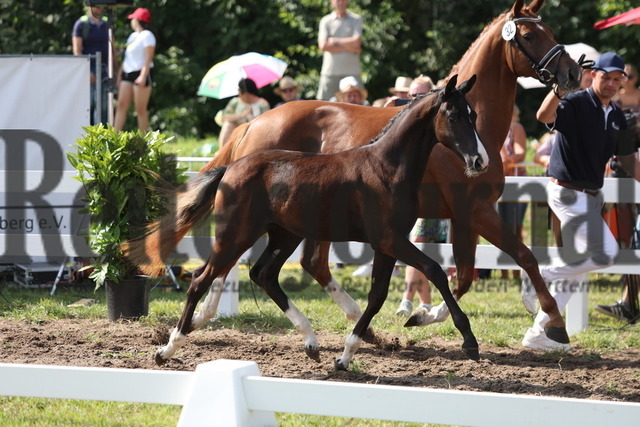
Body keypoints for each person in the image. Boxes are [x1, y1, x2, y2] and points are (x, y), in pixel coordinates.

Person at [521, 52, 640, 351]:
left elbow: (629, 161)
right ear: (593, 74)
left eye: (617, 79)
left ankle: (540, 334)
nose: (611, 83)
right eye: (606, 77)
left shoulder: (616, 116)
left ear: (622, 81)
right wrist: (559, 88)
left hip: (589, 197)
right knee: (606, 254)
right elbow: (543, 117)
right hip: (566, 192)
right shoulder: (575, 102)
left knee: (579, 267)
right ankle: (538, 274)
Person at [395, 74, 446, 317]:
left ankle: (407, 299)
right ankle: (424, 302)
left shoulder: (436, 126)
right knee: (418, 249)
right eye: (410, 95)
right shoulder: (402, 124)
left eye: (419, 94)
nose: (413, 99)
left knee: (417, 245)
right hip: (409, 198)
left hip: (430, 198)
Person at [596, 63, 640, 323]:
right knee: (631, 241)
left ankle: (627, 303)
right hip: (623, 171)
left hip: (630, 168)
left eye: (628, 77)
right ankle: (628, 302)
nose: (624, 81)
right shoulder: (612, 104)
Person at [496, 105, 528, 279]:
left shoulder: (515, 127)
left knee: (515, 227)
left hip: (516, 182)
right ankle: (504, 272)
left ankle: (516, 271)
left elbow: (520, 154)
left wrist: (503, 158)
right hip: (500, 182)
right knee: (500, 227)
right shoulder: (496, 127)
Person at [114, 8, 156, 132]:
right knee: (121, 105)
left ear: (138, 20)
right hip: (128, 74)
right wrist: (120, 75)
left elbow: (149, 58)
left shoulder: (147, 35)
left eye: (133, 19)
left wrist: (143, 76)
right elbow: (128, 57)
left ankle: (144, 140)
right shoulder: (132, 36)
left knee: (140, 109)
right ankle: (114, 137)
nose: (131, 21)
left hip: (140, 73)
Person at [72, 2, 114, 125]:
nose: (99, 8)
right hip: (89, 71)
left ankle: (102, 134)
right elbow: (77, 50)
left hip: (105, 70)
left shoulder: (107, 23)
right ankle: (88, 135)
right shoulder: (81, 24)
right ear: (89, 6)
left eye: (101, 5)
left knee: (104, 105)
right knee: (89, 104)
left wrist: (115, 71)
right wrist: (86, 71)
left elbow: (113, 49)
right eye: (96, 5)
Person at [317, 0, 363, 101]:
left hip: (352, 71)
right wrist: (351, 47)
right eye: (337, 0)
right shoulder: (326, 20)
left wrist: (334, 41)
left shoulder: (356, 19)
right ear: (331, 2)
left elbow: (357, 42)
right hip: (330, 71)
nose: (340, 2)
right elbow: (323, 45)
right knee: (324, 104)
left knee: (359, 105)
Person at [215, 78, 270, 146]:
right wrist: (241, 115)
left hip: (256, 131)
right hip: (237, 131)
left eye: (239, 90)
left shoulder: (262, 104)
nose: (238, 93)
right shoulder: (235, 102)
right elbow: (224, 118)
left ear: (246, 93)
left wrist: (254, 119)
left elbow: (268, 123)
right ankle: (222, 150)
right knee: (227, 124)